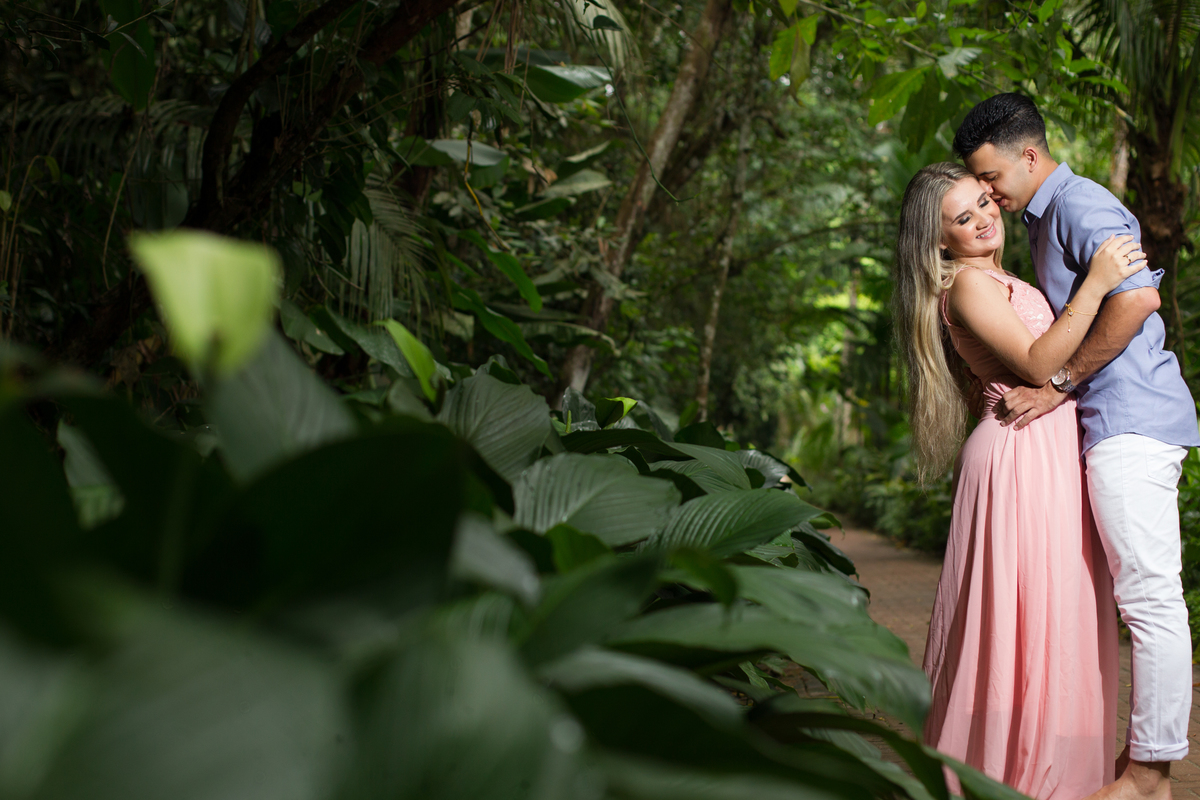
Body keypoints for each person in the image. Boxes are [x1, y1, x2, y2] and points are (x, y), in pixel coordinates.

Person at [955, 94, 1199, 800]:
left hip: (1131, 422)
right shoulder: (1042, 220)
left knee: (1151, 602)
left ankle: (1149, 777)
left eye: (991, 178)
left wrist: (1059, 382)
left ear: (1027, 156)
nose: (990, 195)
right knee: (1140, 601)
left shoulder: (1078, 205)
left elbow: (1135, 300)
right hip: (1110, 426)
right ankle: (1140, 762)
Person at [893, 161, 1146, 799]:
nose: (983, 219)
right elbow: (1038, 362)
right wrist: (1097, 283)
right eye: (962, 217)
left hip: (1044, 450)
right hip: (1016, 454)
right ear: (939, 240)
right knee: (1020, 616)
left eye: (984, 202)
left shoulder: (1000, 277)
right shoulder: (969, 285)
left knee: (1055, 610)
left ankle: (1049, 768)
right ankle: (1009, 772)